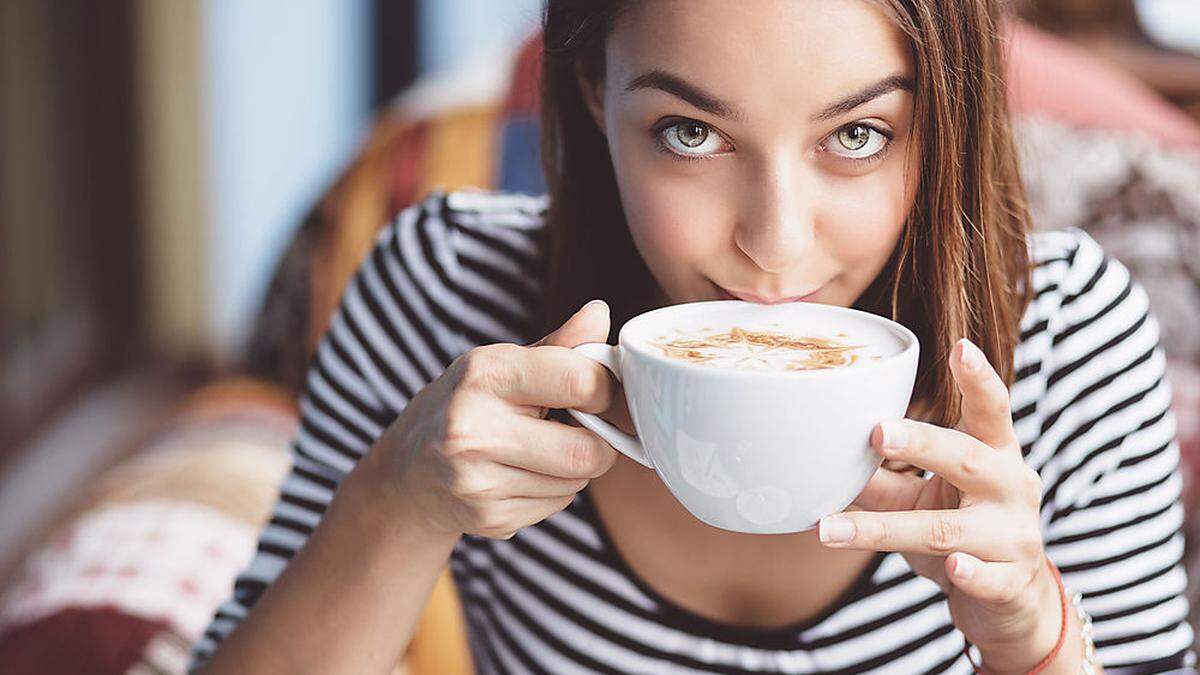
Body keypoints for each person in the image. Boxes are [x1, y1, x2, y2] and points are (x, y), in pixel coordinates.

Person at [190, 1, 1195, 672]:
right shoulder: (446, 292)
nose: (776, 246)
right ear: (593, 95)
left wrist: (1031, 634)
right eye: (691, 133)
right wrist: (397, 504)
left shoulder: (1068, 340)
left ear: (946, 116)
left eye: (857, 135)